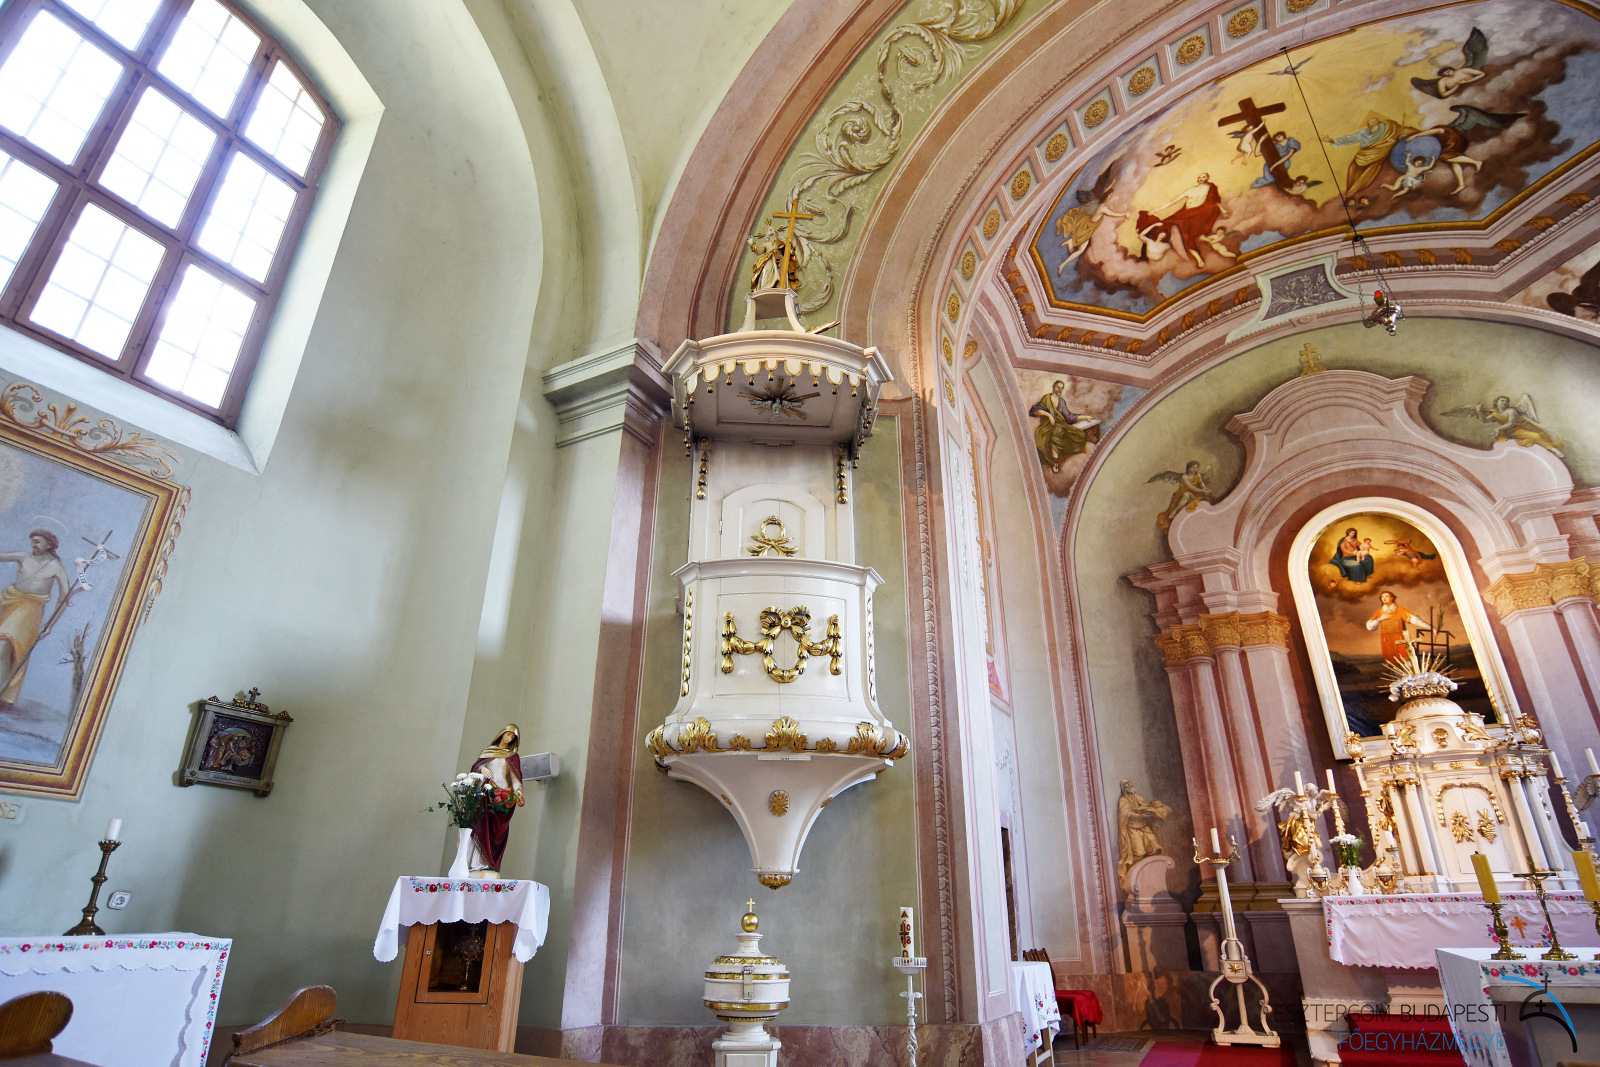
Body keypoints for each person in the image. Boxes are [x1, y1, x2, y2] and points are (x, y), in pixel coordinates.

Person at [0, 530, 69, 705]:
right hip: (8, 600)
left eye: (37, 542)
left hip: (30, 608)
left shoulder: (55, 566)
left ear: (49, 544)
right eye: (32, 541)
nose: (33, 545)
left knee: (4, 646)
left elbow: (64, 596)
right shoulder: (24, 556)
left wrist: (50, 624)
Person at [469, 724, 525, 875]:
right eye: (508, 734)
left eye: (512, 737)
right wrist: (482, 768)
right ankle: (478, 863)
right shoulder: (488, 751)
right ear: (502, 734)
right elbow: (475, 767)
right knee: (483, 826)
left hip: (505, 795)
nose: (509, 738)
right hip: (488, 792)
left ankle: (491, 862)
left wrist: (519, 793)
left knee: (498, 831)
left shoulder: (513, 756)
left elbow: (515, 778)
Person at [1134, 174, 1224, 268]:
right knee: (1164, 226)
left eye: (1203, 177)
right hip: (1184, 214)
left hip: (1197, 214)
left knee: (1185, 233)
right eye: (1200, 177)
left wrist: (1223, 210)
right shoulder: (1191, 190)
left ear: (1207, 178)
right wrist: (1158, 209)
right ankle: (1148, 256)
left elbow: (1214, 201)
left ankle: (1198, 258)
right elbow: (1173, 201)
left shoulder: (1210, 188)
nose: (1201, 179)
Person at [1116, 779, 1171, 890]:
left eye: (1129, 783)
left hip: (1144, 827)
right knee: (1139, 852)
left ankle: (1150, 878)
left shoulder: (1137, 798)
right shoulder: (1123, 800)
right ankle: (1135, 879)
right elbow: (1125, 815)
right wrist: (1141, 816)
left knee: (1155, 846)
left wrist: (1157, 808)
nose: (1129, 785)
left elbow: (1149, 806)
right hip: (1133, 829)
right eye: (1126, 784)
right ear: (1123, 788)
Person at [1028, 380, 1095, 472]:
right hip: (1046, 426)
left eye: (1061, 388)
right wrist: (1049, 415)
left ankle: (1061, 457)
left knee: (1079, 434)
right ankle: (1055, 462)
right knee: (1057, 431)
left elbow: (1069, 417)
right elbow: (1035, 410)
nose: (1059, 390)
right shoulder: (1047, 398)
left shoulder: (1062, 402)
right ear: (1054, 387)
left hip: (1060, 424)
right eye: (1058, 387)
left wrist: (1085, 417)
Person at [1366, 590, 1431, 662]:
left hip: (1400, 640)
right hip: (1387, 642)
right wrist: (1381, 618)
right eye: (1382, 597)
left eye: (1386, 596)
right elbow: (1369, 626)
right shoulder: (1379, 612)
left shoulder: (1400, 610)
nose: (1384, 598)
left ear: (1392, 598)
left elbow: (1415, 620)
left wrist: (1430, 627)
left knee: (1407, 661)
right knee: (1392, 663)